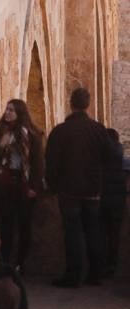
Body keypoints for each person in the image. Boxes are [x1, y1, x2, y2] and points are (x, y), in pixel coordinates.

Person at [45, 87, 115, 287]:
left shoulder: (60, 131)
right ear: (88, 103)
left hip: (68, 190)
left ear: (71, 103)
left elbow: (51, 161)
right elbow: (111, 156)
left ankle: (73, 275)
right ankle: (95, 274)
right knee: (93, 230)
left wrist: (53, 186)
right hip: (92, 190)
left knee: (72, 232)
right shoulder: (97, 129)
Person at [0, 100, 44, 271]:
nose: (7, 112)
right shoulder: (1, 131)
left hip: (24, 183)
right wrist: (2, 145)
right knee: (6, 224)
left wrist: (34, 187)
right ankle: (4, 261)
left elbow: (38, 163)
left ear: (20, 113)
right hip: (5, 183)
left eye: (11, 110)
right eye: (6, 109)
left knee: (24, 225)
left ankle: (20, 263)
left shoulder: (32, 134)